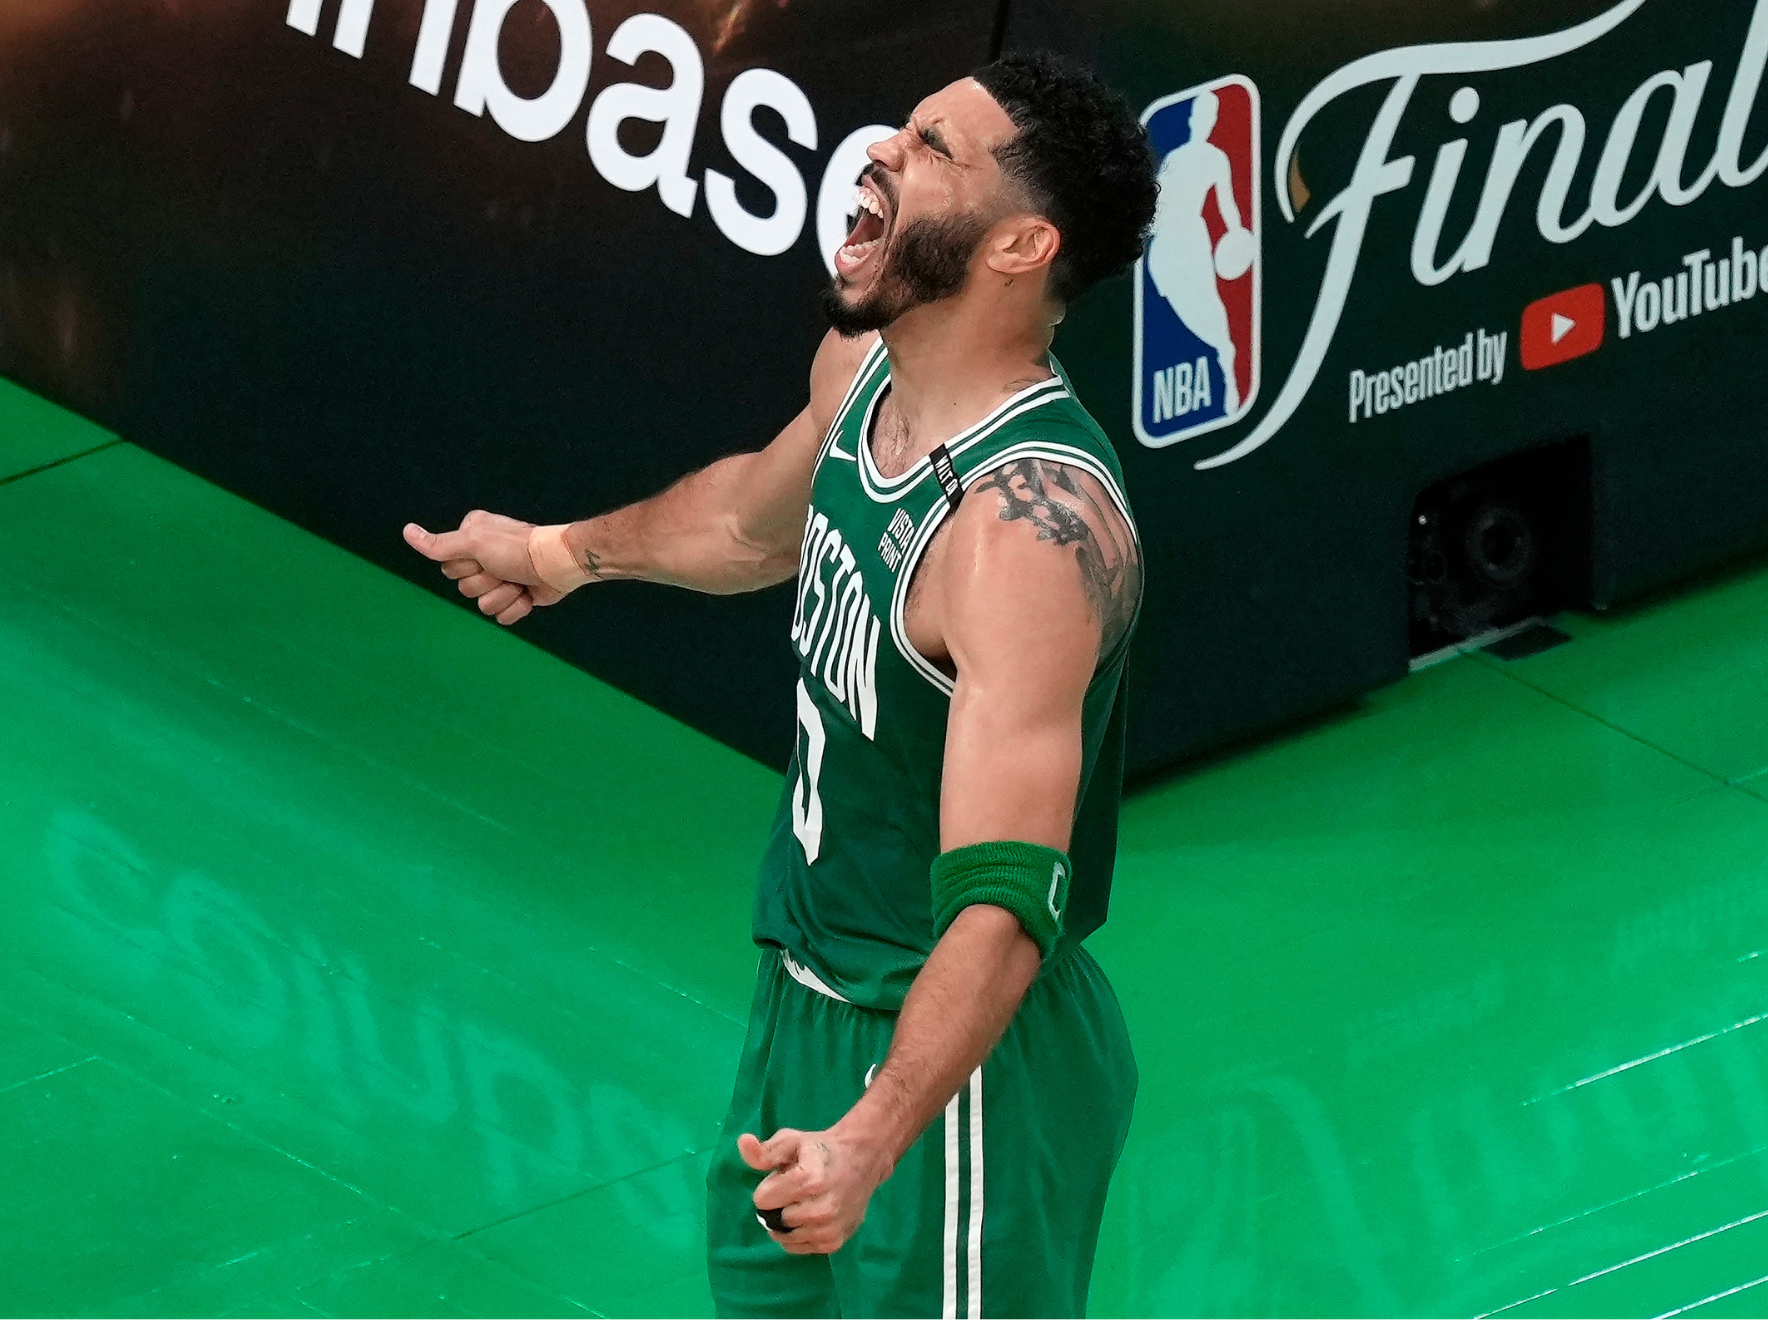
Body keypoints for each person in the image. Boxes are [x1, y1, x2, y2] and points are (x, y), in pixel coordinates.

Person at [403, 50, 1158, 1319]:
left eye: (929, 149)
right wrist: (557, 555)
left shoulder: (1025, 531)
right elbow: (755, 522)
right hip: (804, 1004)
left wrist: (872, 1137)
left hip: (957, 1073)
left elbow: (1004, 902)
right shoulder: (866, 376)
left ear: (1021, 244)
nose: (877, 155)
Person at [1146, 89, 1250, 416]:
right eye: (1200, 115)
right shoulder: (1174, 158)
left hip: (1192, 238)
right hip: (1163, 246)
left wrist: (1235, 233)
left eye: (1210, 116)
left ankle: (1230, 373)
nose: (1204, 122)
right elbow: (1156, 204)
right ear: (1192, 119)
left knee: (1211, 312)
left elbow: (1227, 204)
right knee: (1178, 309)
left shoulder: (1215, 158)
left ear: (1213, 121)